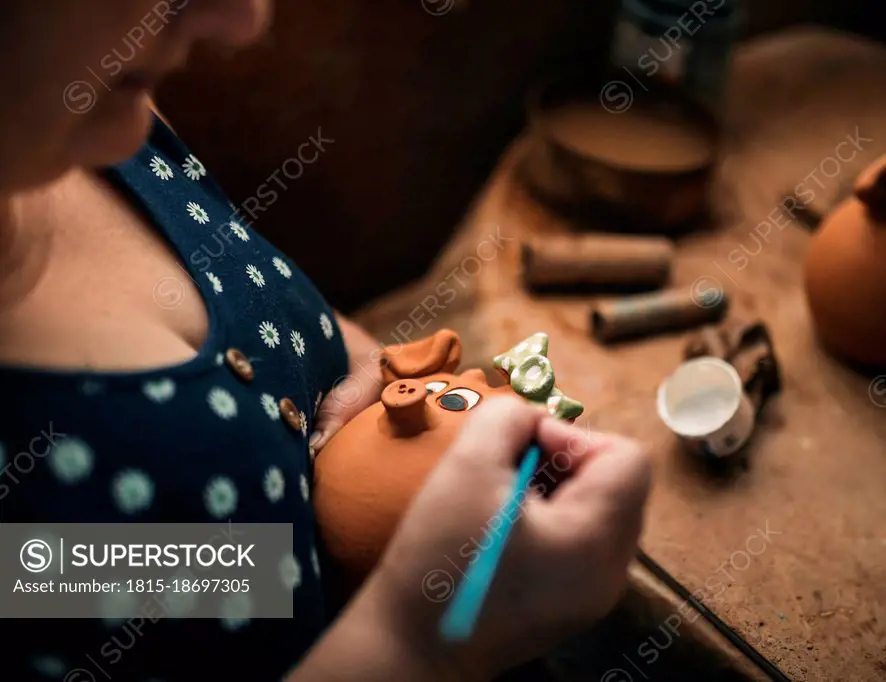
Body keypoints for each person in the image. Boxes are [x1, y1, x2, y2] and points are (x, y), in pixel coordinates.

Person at [0, 2, 652, 680]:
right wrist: (414, 643)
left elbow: (201, 575)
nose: (242, 18)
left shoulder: (85, 116)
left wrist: (362, 358)